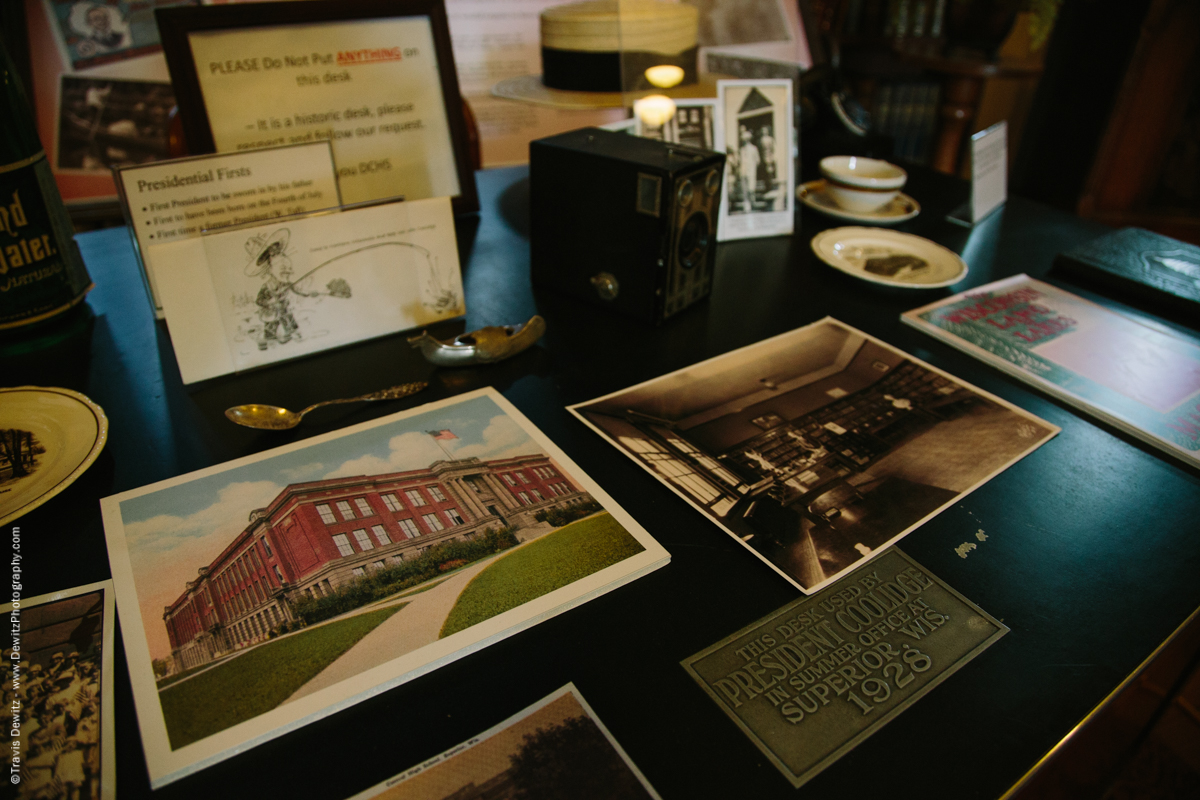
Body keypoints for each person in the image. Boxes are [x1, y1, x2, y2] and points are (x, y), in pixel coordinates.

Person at [737, 126, 760, 212]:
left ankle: (752, 202)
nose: (744, 141)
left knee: (751, 189)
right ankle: (747, 205)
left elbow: (757, 160)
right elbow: (740, 160)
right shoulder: (742, 150)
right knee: (744, 190)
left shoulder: (754, 149)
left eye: (745, 139)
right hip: (743, 171)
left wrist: (752, 167)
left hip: (751, 171)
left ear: (748, 139)